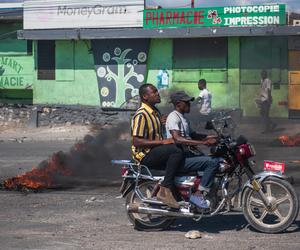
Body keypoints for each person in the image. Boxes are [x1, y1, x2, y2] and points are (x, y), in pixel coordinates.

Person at [166, 91, 222, 209]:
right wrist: (204, 143)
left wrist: (213, 137)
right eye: (187, 102)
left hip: (186, 155)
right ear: (178, 104)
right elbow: (178, 139)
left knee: (216, 159)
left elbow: (194, 135)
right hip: (179, 158)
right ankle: (198, 194)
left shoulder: (183, 118)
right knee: (212, 161)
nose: (189, 105)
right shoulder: (173, 117)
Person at [131, 83, 184, 209]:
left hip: (155, 151)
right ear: (145, 96)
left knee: (181, 150)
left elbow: (153, 132)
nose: (157, 94)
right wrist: (163, 142)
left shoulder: (155, 112)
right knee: (175, 150)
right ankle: (165, 189)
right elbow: (137, 141)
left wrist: (161, 123)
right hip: (145, 155)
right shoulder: (141, 114)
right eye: (154, 92)